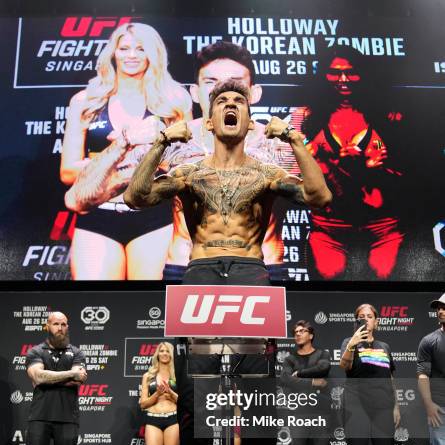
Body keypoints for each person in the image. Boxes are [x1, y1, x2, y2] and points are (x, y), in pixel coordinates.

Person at [123, 79, 331, 445]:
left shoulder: (266, 174)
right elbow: (136, 198)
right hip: (198, 271)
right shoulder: (190, 173)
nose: (232, 105)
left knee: (257, 396)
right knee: (196, 396)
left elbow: (320, 197)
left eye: (239, 100)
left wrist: (294, 140)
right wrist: (160, 143)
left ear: (248, 118)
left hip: (251, 273)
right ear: (210, 119)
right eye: (222, 101)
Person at [61, 22, 192, 279]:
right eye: (125, 48)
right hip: (97, 216)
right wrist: (133, 158)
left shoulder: (174, 101)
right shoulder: (85, 102)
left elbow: (183, 168)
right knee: (94, 311)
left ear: (153, 55)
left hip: (153, 218)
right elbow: (68, 172)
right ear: (113, 52)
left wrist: (104, 165)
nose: (132, 55)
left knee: (148, 310)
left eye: (141, 49)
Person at [161, 40, 287, 281]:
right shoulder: (173, 142)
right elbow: (134, 197)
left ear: (255, 93)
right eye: (211, 82)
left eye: (236, 83)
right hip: (185, 264)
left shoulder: (277, 144)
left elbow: (317, 198)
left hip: (262, 266)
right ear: (195, 92)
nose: (224, 91)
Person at [298, 46, 404, 280]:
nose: (343, 79)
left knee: (386, 291)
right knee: (327, 291)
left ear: (362, 74)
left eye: (351, 72)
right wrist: (331, 165)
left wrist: (377, 171)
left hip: (381, 226)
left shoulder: (389, 116)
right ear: (324, 75)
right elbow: (300, 180)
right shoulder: (307, 117)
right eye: (335, 73)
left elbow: (412, 179)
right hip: (329, 227)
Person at [16, 312, 87, 445]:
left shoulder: (76, 352)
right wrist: (68, 375)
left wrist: (48, 378)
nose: (60, 328)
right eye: (56, 324)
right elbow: (37, 376)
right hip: (40, 417)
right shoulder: (36, 351)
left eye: (64, 324)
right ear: (47, 326)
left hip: (67, 417)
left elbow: (79, 379)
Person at [339, 303, 403, 445]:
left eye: (370, 316)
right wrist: (353, 345)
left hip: (383, 407)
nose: (366, 319)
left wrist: (396, 406)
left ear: (377, 321)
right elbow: (344, 367)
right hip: (356, 406)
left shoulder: (384, 346)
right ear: (356, 321)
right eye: (361, 316)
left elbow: (390, 378)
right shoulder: (349, 343)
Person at [280, 320, 340, 445]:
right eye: (296, 332)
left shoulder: (322, 354)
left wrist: (300, 376)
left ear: (311, 335)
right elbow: (285, 380)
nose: (298, 334)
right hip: (299, 414)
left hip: (320, 414)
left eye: (302, 331)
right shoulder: (289, 358)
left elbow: (323, 369)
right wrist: (312, 382)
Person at [416, 292, 445, 445]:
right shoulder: (429, 341)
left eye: (444, 307)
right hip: (440, 408)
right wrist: (428, 404)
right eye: (439, 308)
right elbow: (423, 375)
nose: (441, 311)